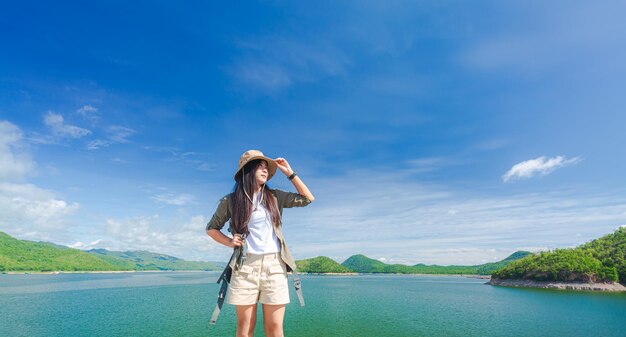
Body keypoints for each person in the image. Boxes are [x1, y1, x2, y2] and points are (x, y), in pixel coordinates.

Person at [206, 149, 315, 337]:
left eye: (267, 167)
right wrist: (230, 241)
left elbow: (307, 198)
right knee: (245, 327)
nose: (265, 170)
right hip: (245, 266)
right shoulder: (231, 201)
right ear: (247, 171)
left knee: (274, 328)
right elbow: (211, 228)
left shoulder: (274, 197)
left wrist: (290, 173)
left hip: (275, 265)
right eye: (260, 166)